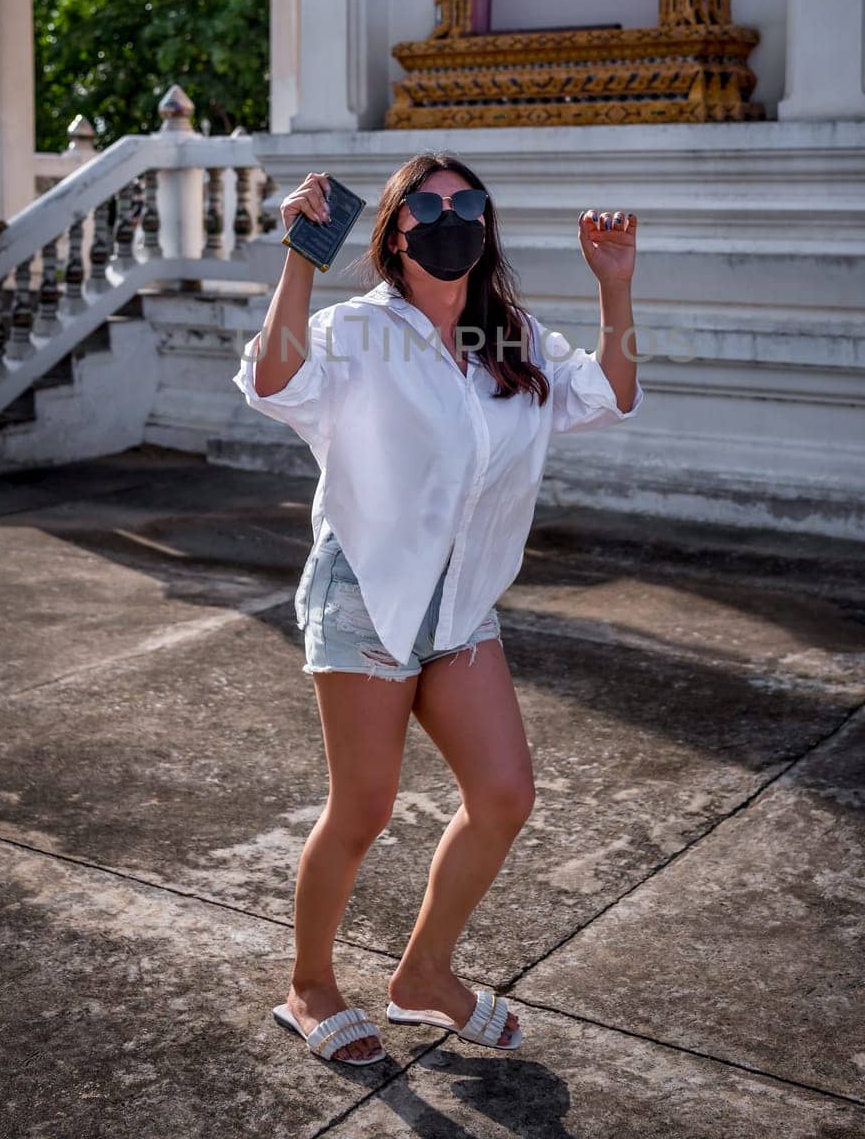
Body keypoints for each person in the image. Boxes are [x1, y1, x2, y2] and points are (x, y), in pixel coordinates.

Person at [231, 150, 643, 1065]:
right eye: (427, 204)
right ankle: (309, 986)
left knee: (504, 795)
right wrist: (301, 254)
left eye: (468, 203)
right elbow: (273, 384)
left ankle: (423, 975)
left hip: (460, 604)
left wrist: (615, 287)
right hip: (369, 592)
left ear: (487, 226)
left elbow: (611, 397)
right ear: (394, 230)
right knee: (364, 809)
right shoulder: (355, 331)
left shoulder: (514, 340)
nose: (450, 216)